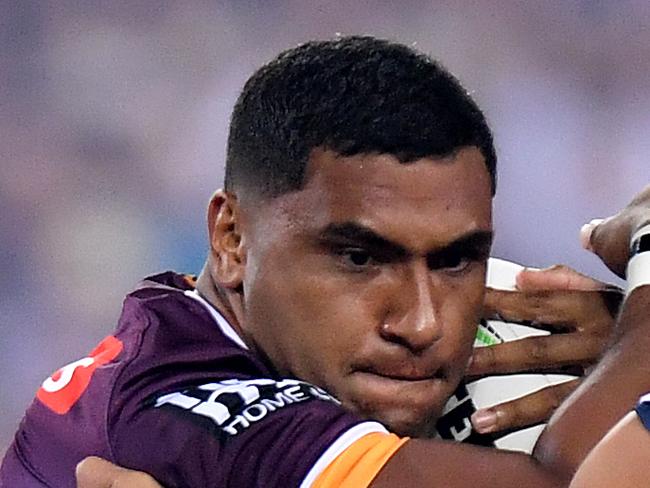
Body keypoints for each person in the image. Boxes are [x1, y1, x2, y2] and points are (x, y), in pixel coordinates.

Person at [1, 35, 641, 487]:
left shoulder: (178, 343)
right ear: (232, 239)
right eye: (360, 259)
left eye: (454, 263)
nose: (419, 325)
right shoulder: (196, 419)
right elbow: (579, 483)